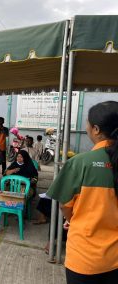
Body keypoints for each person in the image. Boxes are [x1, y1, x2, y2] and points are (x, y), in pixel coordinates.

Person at [47, 101, 118, 283]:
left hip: (85, 258)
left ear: (95, 129)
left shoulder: (80, 163)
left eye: (87, 123)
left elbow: (65, 205)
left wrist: (73, 220)